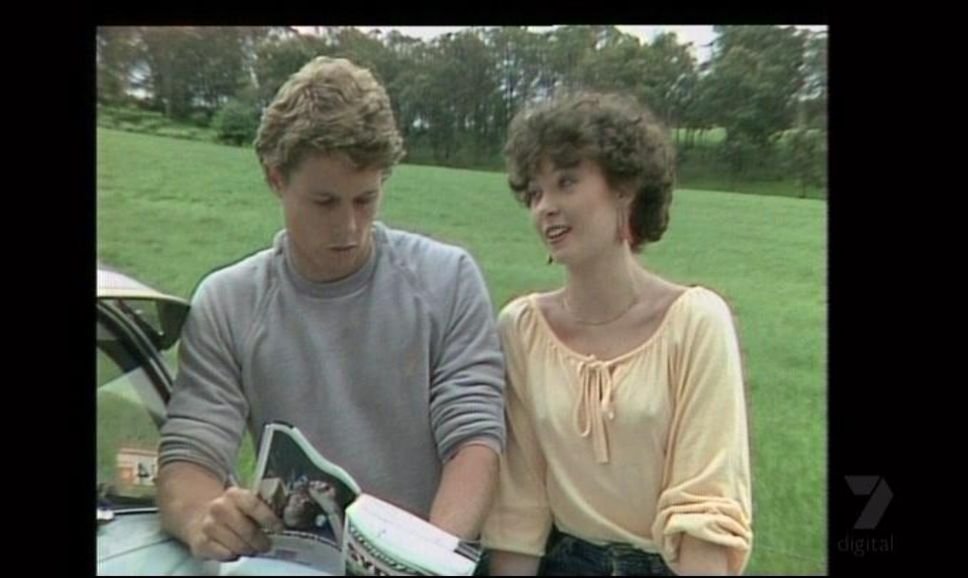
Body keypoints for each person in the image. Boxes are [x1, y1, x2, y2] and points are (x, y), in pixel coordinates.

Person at [156, 56, 506, 562]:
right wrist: (203, 520)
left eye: (366, 200)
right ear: (276, 179)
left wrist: (419, 561)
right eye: (325, 202)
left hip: (430, 553)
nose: (349, 228)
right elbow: (189, 456)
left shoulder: (447, 279)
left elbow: (474, 441)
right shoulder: (228, 303)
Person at [482, 91, 753, 576]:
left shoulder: (696, 322)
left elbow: (705, 509)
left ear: (624, 187)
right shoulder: (521, 329)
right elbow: (518, 509)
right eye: (535, 193)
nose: (546, 208)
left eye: (566, 183)